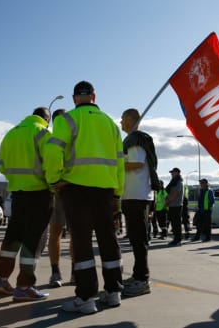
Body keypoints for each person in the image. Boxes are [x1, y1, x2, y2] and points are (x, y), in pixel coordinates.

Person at [45, 81, 124, 314]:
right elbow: (120, 161)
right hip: (106, 189)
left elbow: (52, 151)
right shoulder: (110, 123)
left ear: (73, 99)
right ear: (94, 96)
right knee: (108, 239)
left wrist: (54, 180)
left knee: (81, 241)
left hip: (76, 187)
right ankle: (113, 292)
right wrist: (118, 192)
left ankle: (86, 297)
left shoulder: (66, 120)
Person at [0, 106, 53, 302]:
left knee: (13, 236)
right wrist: (53, 185)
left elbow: (2, 165)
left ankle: (0, 279)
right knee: (34, 240)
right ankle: (24, 285)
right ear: (46, 119)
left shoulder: (11, 133)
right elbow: (51, 163)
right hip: (39, 193)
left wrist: (16, 179)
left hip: (17, 192)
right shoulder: (43, 133)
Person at [120, 107, 154, 297]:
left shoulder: (135, 140)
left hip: (137, 195)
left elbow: (137, 163)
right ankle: (138, 275)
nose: (120, 122)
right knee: (135, 239)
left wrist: (114, 163)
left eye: (123, 119)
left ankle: (142, 280)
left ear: (131, 120)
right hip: (133, 195)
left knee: (139, 240)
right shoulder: (133, 139)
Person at [46, 108, 70, 289]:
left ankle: (58, 273)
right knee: (59, 232)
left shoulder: (50, 139)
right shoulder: (69, 138)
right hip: (63, 191)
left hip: (61, 190)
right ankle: (57, 272)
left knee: (57, 233)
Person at [165, 168, 184, 246]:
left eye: (172, 172)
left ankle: (178, 240)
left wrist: (167, 202)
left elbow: (175, 194)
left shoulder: (178, 182)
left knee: (176, 224)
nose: (171, 174)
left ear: (177, 173)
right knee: (174, 223)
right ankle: (175, 239)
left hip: (176, 205)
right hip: (173, 205)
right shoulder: (174, 182)